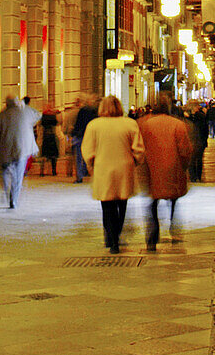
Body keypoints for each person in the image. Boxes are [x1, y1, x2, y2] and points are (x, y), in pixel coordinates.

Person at [81, 95, 144, 254]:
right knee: (121, 205)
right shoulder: (129, 124)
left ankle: (111, 238)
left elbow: (88, 150)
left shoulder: (94, 126)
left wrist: (90, 164)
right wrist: (136, 161)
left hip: (103, 169)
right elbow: (138, 149)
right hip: (124, 168)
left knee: (107, 205)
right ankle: (116, 235)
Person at [139, 94, 193, 252]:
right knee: (174, 201)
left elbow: (139, 147)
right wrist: (184, 167)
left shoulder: (145, 124)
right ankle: (174, 230)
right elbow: (185, 150)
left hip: (152, 170)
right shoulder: (178, 125)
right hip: (173, 169)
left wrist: (141, 168)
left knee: (152, 204)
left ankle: (152, 236)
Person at [0, 95, 31, 208]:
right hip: (21, 151)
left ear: (6, 104)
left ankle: (6, 189)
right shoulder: (24, 115)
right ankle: (14, 198)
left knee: (4, 172)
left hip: (4, 152)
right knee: (18, 176)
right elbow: (37, 116)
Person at [69, 94, 97, 184]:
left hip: (81, 135)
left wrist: (73, 133)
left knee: (78, 156)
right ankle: (87, 172)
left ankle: (79, 176)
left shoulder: (83, 111)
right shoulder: (95, 111)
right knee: (89, 155)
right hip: (90, 136)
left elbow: (78, 124)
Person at [20, 96, 41, 172]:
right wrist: (33, 123)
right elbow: (39, 115)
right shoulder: (30, 110)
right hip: (28, 133)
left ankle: (22, 168)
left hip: (20, 134)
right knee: (28, 151)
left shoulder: (20, 110)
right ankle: (26, 168)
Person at [39, 105, 61, 176]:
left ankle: (41, 172)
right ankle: (54, 171)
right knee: (53, 156)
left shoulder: (43, 116)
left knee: (44, 155)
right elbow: (57, 124)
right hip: (52, 136)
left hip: (45, 136)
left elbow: (40, 126)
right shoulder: (53, 116)